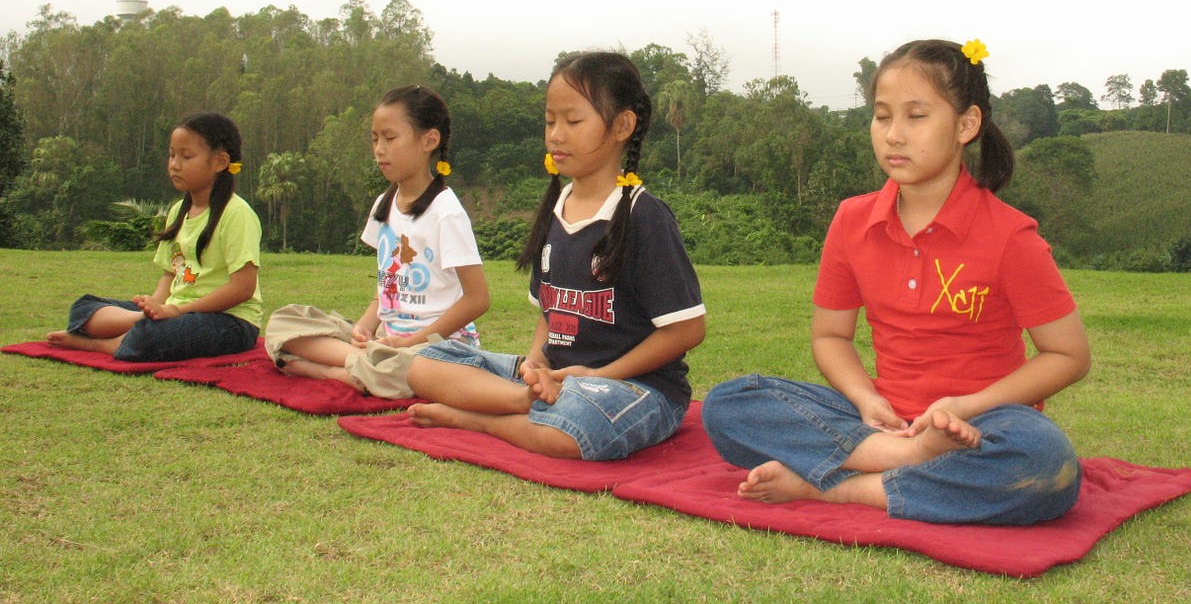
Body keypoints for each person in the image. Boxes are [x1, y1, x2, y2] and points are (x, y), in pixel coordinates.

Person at [702, 38, 1091, 525]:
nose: (894, 135)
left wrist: (966, 407)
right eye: (883, 116)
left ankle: (841, 489)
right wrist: (867, 399)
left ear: (966, 124)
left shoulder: (1011, 236)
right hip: (880, 421)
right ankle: (903, 460)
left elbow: (1069, 354)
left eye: (916, 116)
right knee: (727, 405)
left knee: (1045, 465)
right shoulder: (852, 219)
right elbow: (830, 336)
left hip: (988, 422)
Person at [405, 51, 706, 460]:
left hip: (631, 387)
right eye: (550, 121)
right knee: (424, 363)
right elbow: (549, 316)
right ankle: (524, 401)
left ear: (622, 125)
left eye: (573, 121)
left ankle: (480, 417)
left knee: (577, 428)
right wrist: (533, 366)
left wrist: (596, 375)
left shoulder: (643, 215)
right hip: (556, 379)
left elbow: (687, 330)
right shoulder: (557, 208)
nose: (556, 135)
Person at [265, 85, 489, 398]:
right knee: (284, 321)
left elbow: (478, 299)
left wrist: (410, 343)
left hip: (436, 347)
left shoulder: (446, 212)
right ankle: (361, 365)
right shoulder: (385, 203)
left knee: (405, 369)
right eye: (375, 139)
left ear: (429, 140)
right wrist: (364, 327)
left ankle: (332, 369)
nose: (379, 149)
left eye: (390, 137)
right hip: (386, 339)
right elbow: (388, 285)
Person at [47, 112, 263, 361]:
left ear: (221, 161)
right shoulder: (177, 212)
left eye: (187, 156)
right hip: (174, 311)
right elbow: (169, 274)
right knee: (83, 308)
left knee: (154, 336)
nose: (174, 164)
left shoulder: (237, 214)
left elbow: (242, 288)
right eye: (172, 155)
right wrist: (155, 307)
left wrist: (176, 310)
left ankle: (100, 344)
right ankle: (137, 323)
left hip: (229, 321)